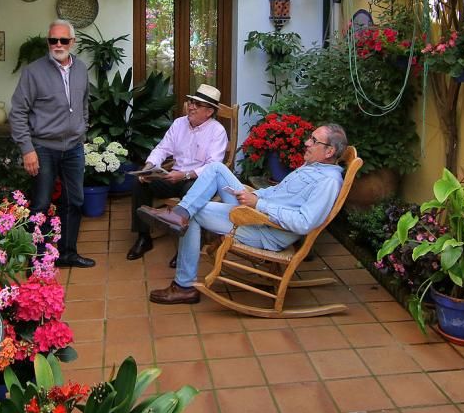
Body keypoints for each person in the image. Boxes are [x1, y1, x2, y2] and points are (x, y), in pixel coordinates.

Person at [141, 123, 348, 304]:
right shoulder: (312, 167)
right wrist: (251, 194)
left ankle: (184, 286)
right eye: (310, 138)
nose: (306, 143)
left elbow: (304, 223)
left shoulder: (327, 182)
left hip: (267, 229)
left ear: (329, 151)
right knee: (216, 168)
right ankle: (180, 213)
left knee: (194, 213)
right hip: (258, 213)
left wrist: (258, 204)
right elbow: (278, 192)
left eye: (313, 140)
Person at [10, 20, 93, 268]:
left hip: (74, 148)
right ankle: (38, 258)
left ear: (72, 42)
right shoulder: (33, 72)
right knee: (42, 203)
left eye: (63, 40)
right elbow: (18, 113)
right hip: (43, 148)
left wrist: (82, 129)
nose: (58, 45)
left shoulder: (81, 69)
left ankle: (67, 254)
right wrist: (27, 149)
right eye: (53, 40)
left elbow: (84, 103)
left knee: (74, 201)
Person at [126, 84, 228, 260]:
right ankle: (143, 237)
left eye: (197, 104)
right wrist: (149, 167)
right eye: (191, 101)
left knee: (190, 191)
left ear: (209, 112)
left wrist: (185, 175)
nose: (191, 106)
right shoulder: (179, 123)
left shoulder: (217, 131)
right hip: (174, 175)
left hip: (197, 180)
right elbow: (162, 149)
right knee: (140, 182)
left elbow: (212, 167)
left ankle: (185, 246)